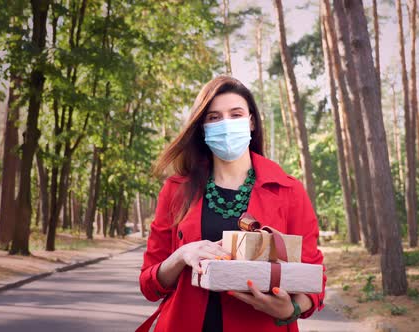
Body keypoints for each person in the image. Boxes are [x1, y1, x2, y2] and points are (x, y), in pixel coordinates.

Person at [137, 76, 326, 332]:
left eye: (235, 114)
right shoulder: (176, 189)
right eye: (214, 117)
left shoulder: (288, 190)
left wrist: (289, 309)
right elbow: (149, 285)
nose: (225, 124)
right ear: (202, 127)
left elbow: (314, 275)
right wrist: (181, 255)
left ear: (251, 122)